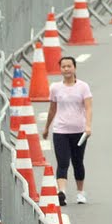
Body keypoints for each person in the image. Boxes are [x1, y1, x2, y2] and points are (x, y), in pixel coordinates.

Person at [42, 57, 93, 205]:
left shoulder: (83, 87)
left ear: (74, 68)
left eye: (69, 66)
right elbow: (52, 109)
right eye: (63, 67)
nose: (66, 69)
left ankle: (80, 192)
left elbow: (88, 107)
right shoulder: (55, 88)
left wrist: (88, 126)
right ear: (60, 69)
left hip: (79, 130)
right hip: (60, 130)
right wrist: (46, 128)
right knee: (63, 162)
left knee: (78, 162)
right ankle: (62, 192)